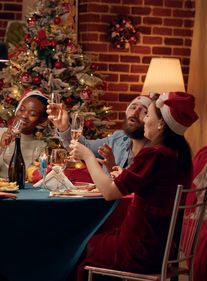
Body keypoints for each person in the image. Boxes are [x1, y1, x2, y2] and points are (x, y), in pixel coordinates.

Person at [69, 91, 199, 280]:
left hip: (138, 250)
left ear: (161, 123)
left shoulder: (154, 154)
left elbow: (109, 193)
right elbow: (156, 190)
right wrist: (126, 176)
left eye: (148, 115)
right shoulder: (179, 155)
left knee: (79, 247)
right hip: (163, 249)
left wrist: (88, 156)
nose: (144, 120)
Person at [48, 95, 152, 172]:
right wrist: (64, 127)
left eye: (144, 111)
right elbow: (85, 146)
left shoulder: (155, 152)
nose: (135, 113)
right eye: (133, 108)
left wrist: (112, 168)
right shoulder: (117, 138)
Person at [0, 90, 48, 178]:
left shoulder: (40, 147)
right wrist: (0, 147)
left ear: (41, 121)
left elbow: (39, 178)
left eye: (32, 114)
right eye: (21, 109)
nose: (24, 115)